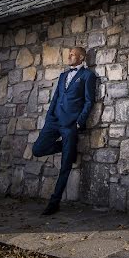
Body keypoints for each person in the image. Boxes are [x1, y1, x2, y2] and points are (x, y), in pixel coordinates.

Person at [32, 46, 96, 215]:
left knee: (65, 165)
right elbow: (56, 98)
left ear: (81, 57)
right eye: (69, 54)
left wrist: (78, 123)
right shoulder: (63, 76)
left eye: (72, 54)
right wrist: (49, 117)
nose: (69, 56)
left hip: (70, 125)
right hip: (54, 121)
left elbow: (89, 101)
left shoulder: (88, 76)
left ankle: (54, 202)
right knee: (37, 149)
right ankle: (66, 148)